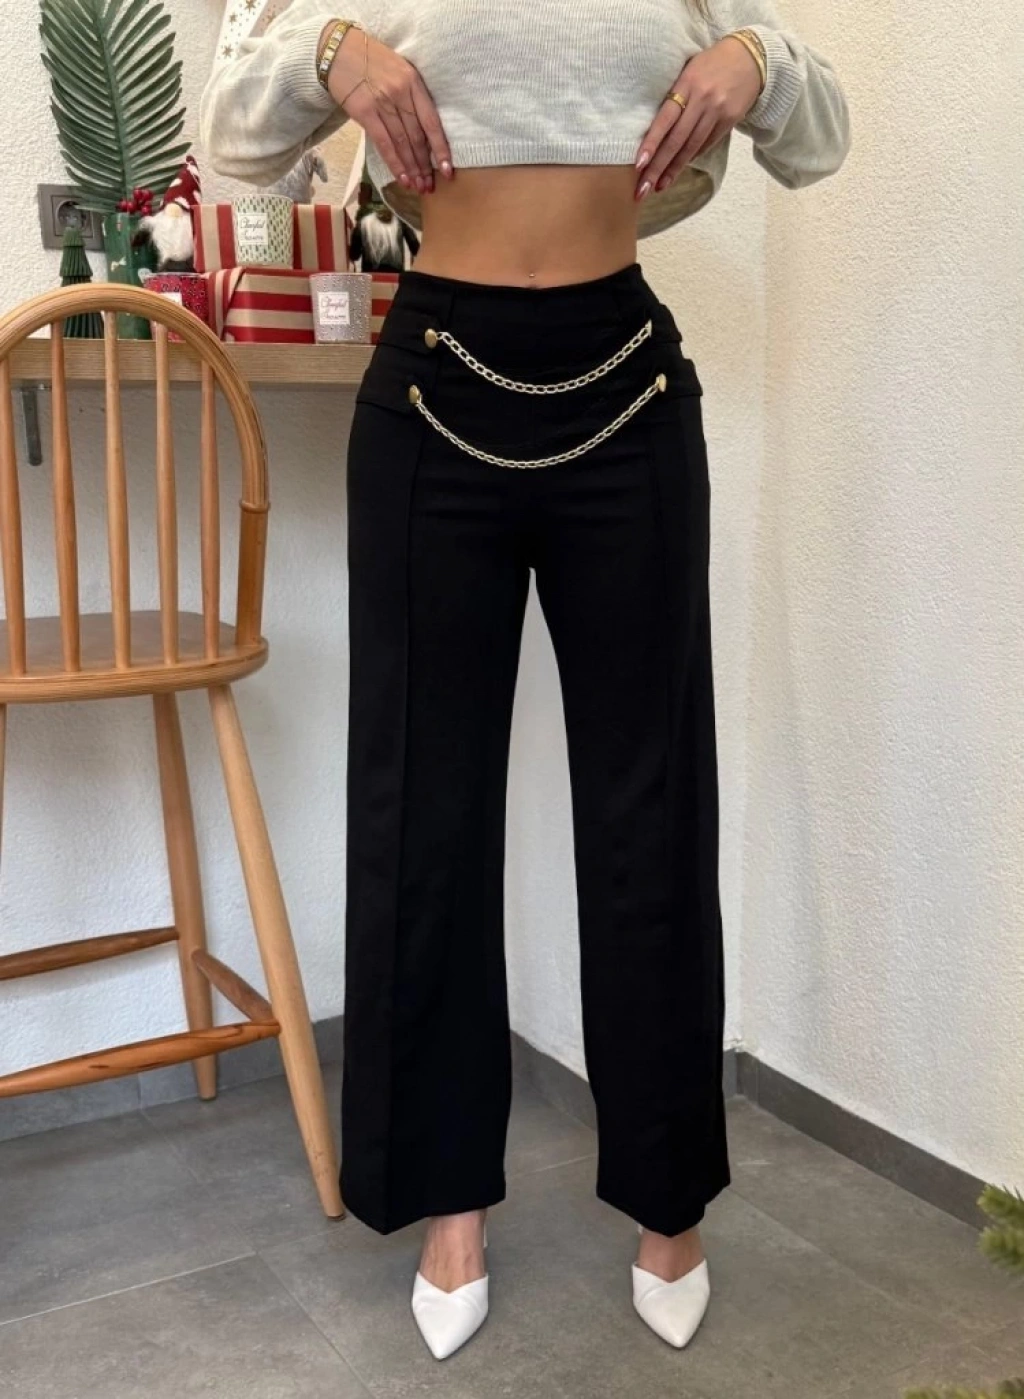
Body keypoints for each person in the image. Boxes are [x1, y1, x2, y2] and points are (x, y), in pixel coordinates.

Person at [200, 0, 850, 1360]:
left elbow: (819, 136)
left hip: (628, 387)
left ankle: (670, 1204)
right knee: (423, 815)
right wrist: (331, 54)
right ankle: (452, 1208)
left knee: (648, 806)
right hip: (433, 380)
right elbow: (234, 136)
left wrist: (757, 62)